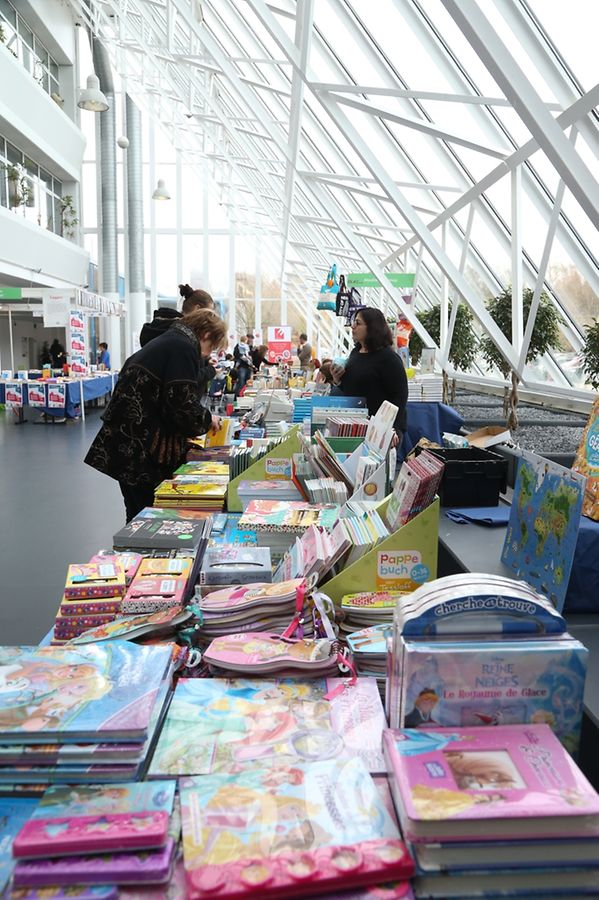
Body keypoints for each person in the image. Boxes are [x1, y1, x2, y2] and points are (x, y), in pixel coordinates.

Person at [85, 308, 227, 522]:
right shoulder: (183, 347)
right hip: (139, 450)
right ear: (206, 335)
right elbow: (181, 406)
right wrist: (208, 419)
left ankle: (134, 551)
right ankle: (137, 553)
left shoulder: (169, 341)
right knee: (147, 516)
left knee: (138, 513)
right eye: (211, 347)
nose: (207, 354)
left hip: (129, 442)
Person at [331, 308, 408, 443]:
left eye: (358, 323)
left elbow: (400, 396)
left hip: (381, 430)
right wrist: (337, 380)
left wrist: (393, 428)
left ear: (372, 327)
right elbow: (350, 388)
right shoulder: (355, 353)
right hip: (356, 426)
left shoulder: (388, 358)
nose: (353, 326)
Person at [139, 283, 215, 347]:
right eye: (207, 313)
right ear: (197, 308)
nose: (208, 318)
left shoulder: (161, 325)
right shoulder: (181, 333)